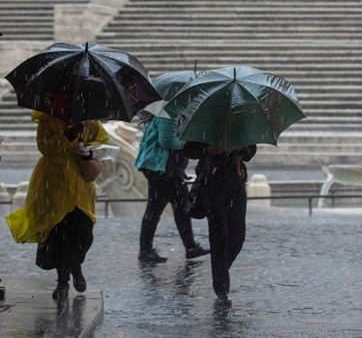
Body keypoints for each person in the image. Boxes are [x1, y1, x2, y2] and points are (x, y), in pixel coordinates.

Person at [5, 111, 109, 301]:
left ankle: (76, 266)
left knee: (84, 232)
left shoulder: (91, 123)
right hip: (54, 185)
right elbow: (46, 148)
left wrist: (86, 152)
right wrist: (69, 133)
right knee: (60, 235)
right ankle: (63, 282)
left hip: (81, 186)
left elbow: (100, 149)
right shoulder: (47, 120)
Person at [184, 142, 257, 305]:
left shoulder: (241, 121)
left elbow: (251, 150)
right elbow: (189, 149)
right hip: (212, 185)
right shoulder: (205, 122)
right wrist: (207, 150)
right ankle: (221, 287)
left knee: (238, 237)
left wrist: (239, 149)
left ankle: (220, 271)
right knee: (219, 236)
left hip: (236, 185)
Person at [134, 115, 209, 263]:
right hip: (161, 169)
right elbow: (168, 141)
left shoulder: (171, 111)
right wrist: (189, 142)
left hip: (167, 169)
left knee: (180, 207)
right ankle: (145, 250)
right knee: (157, 208)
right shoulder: (168, 113)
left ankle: (190, 247)